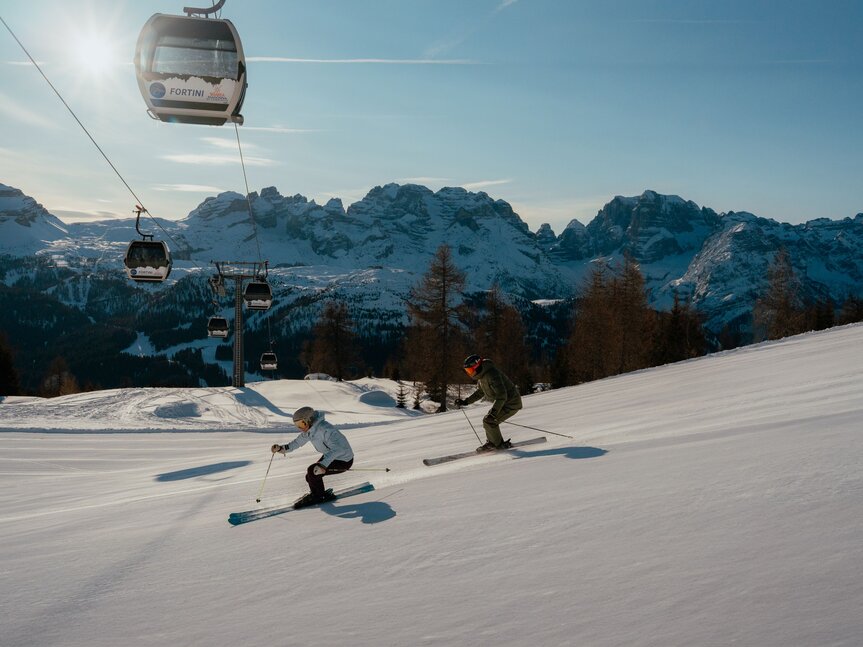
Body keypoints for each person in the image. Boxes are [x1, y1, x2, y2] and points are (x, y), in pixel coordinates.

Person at [271, 406, 354, 506]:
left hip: (343, 459)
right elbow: (296, 443)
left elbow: (338, 449)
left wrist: (323, 465)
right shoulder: (310, 430)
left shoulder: (326, 430)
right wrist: (281, 448)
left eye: (302, 424)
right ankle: (316, 494)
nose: (300, 428)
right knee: (310, 476)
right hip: (331, 456)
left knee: (312, 471)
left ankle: (319, 496)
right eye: (297, 425)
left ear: (309, 420)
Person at [455, 354, 523, 452]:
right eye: (467, 371)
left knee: (489, 420)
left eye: (470, 370)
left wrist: (493, 413)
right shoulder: (482, 376)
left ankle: (498, 444)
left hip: (512, 403)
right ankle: (493, 442)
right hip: (504, 402)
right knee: (488, 420)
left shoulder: (492, 374)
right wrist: (465, 402)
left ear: (477, 366)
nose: (469, 373)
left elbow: (502, 395)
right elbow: (480, 392)